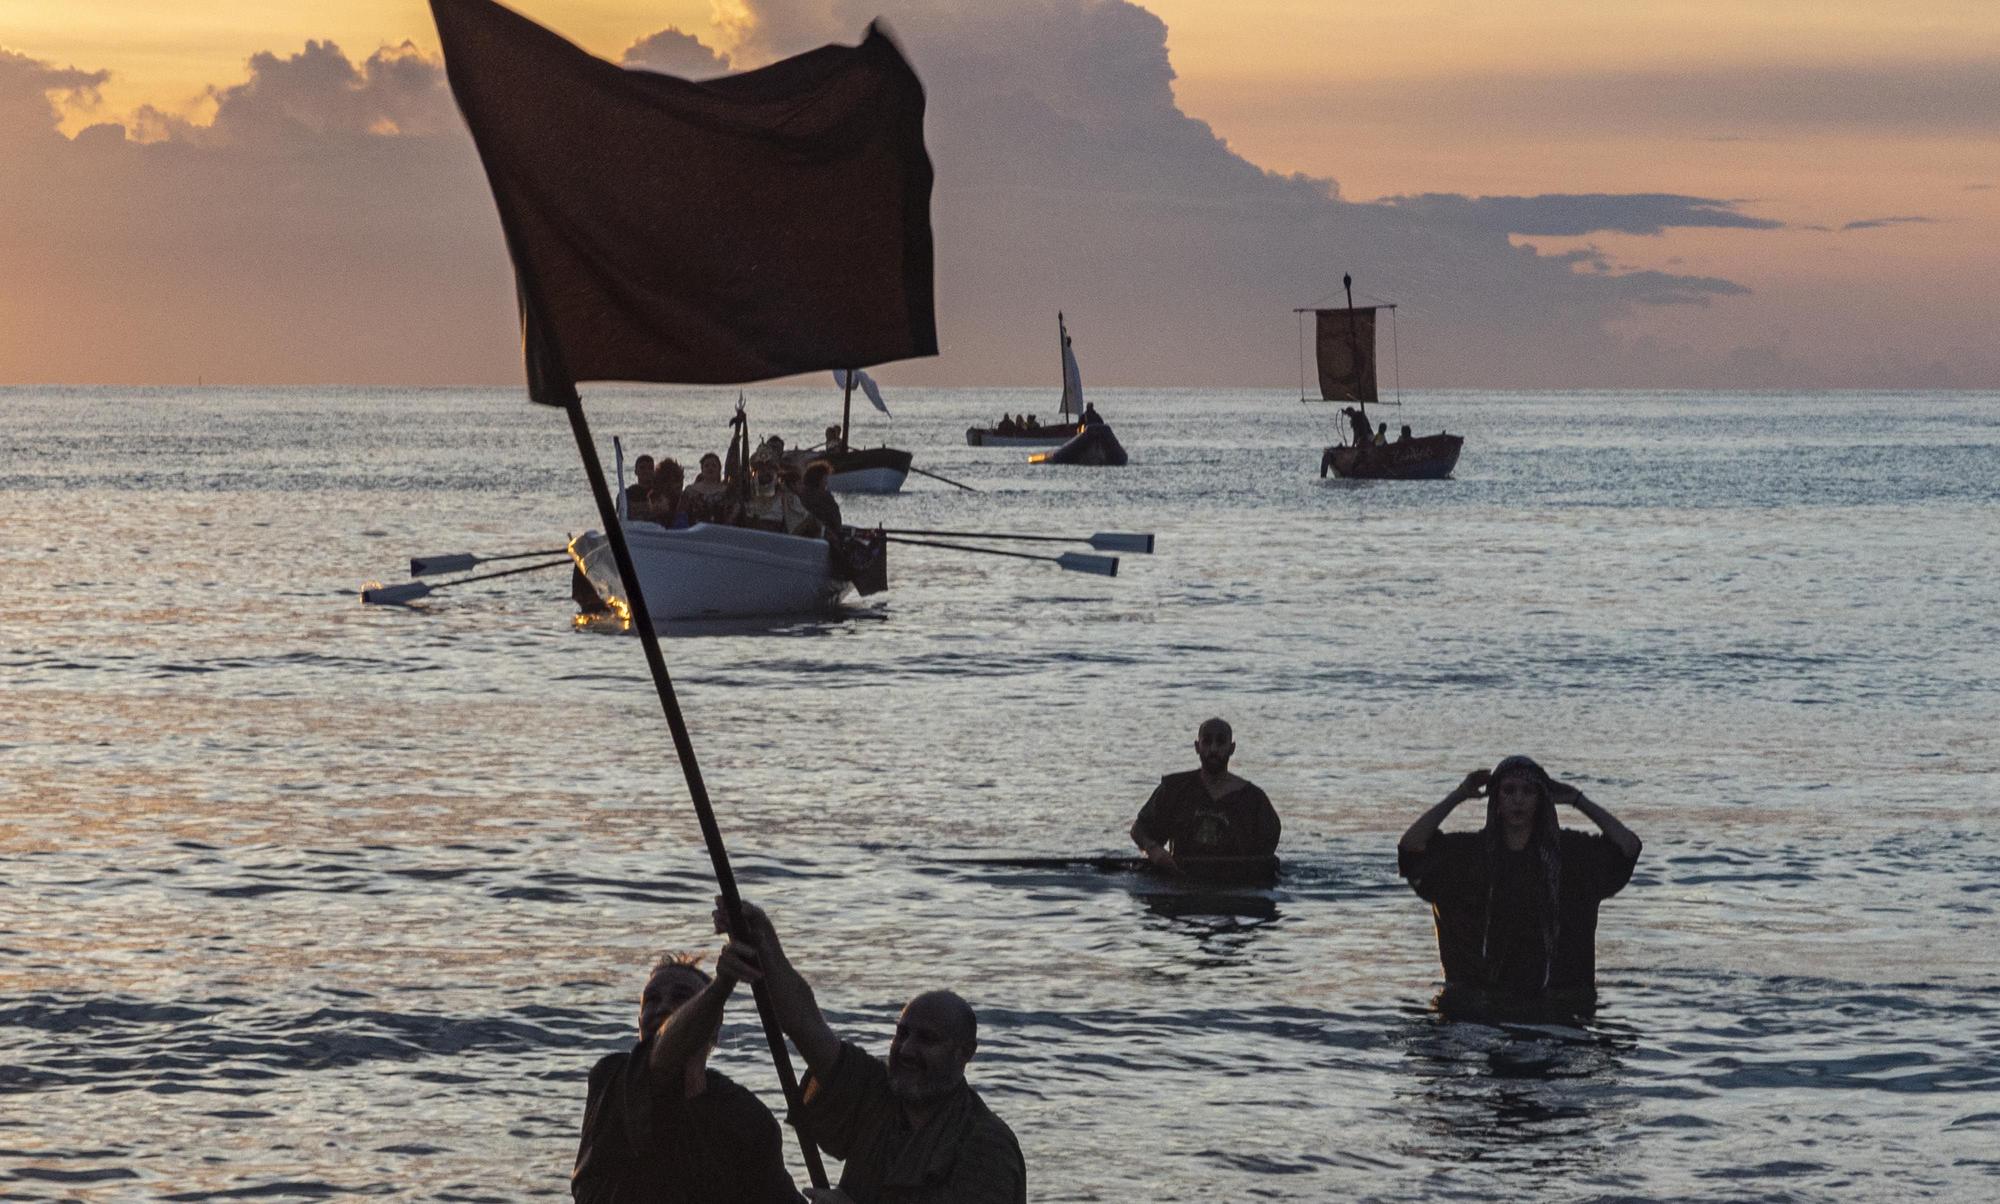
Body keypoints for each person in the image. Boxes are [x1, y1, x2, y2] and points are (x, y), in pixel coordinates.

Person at [714, 901, 1026, 1204]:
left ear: (964, 1053)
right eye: (901, 1034)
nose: (906, 1050)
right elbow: (805, 1025)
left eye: (927, 1040)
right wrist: (765, 944)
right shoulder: (877, 1094)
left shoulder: (986, 1146)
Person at [1397, 756, 1642, 1006]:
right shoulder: (1469, 855)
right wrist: (1458, 795)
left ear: (1540, 800)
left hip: (1556, 1006)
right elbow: (1411, 847)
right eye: (1509, 790)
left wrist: (1577, 799)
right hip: (1481, 1006)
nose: (1518, 799)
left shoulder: (1569, 854)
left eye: (1528, 791)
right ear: (1496, 800)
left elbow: (1628, 847)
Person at [571, 953, 802, 1203]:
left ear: (716, 1023)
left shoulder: (746, 1115)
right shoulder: (612, 1079)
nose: (663, 1007)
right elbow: (663, 1057)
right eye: (651, 1000)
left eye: (682, 998)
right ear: (639, 1022)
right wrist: (722, 984)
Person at [1130, 718, 1281, 872]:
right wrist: (1153, 849)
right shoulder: (1174, 789)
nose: (1213, 749)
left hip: (1234, 883)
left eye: (1221, 742)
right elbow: (1139, 829)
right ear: (1197, 747)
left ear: (1232, 748)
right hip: (1180, 880)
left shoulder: (1253, 800)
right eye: (1207, 742)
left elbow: (1266, 853)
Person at [796, 460, 843, 536]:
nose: (826, 482)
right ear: (818, 479)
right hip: (825, 535)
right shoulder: (825, 496)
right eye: (825, 478)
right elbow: (836, 520)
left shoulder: (801, 495)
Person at [626, 455, 657, 523]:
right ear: (636, 471)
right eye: (642, 468)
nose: (646, 471)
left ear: (654, 471)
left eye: (650, 468)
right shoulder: (628, 493)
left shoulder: (660, 492)